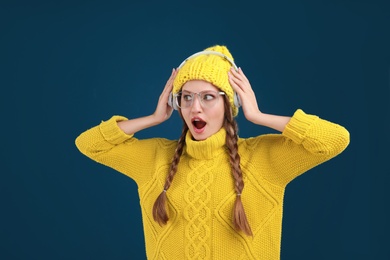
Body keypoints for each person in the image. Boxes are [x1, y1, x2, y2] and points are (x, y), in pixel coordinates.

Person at [75, 45, 350, 260]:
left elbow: (335, 139)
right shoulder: (156, 159)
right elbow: (89, 144)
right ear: (176, 102)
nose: (196, 108)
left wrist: (259, 115)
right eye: (186, 97)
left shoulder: (264, 159)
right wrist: (153, 118)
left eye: (208, 96)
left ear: (229, 104)